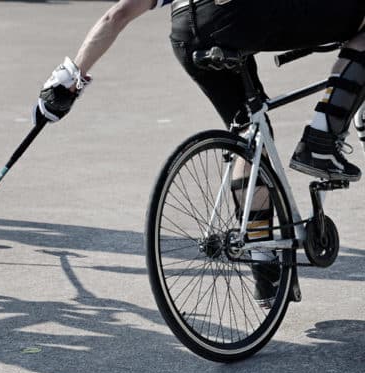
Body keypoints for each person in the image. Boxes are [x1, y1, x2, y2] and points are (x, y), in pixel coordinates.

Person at [34, 0, 365, 307]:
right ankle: (323, 139)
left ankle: (264, 260)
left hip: (188, 30)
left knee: (248, 132)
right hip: (241, 12)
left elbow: (117, 15)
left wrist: (68, 82)